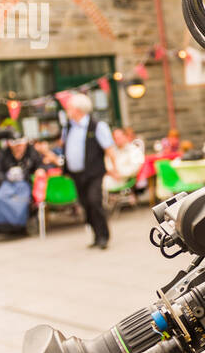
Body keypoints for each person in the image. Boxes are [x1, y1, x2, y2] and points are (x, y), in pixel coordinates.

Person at [59, 93, 116, 249]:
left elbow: (109, 148)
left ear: (78, 109)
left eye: (69, 107)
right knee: (85, 204)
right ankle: (96, 236)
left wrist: (114, 168)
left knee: (94, 201)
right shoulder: (68, 127)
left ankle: (104, 236)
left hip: (94, 172)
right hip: (76, 174)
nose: (67, 110)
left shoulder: (97, 126)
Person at [104, 127, 146, 194]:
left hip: (125, 179)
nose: (117, 140)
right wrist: (112, 172)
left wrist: (120, 174)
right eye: (115, 138)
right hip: (111, 177)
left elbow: (135, 168)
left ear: (125, 136)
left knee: (102, 184)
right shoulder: (112, 151)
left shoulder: (133, 150)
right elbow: (107, 163)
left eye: (119, 138)